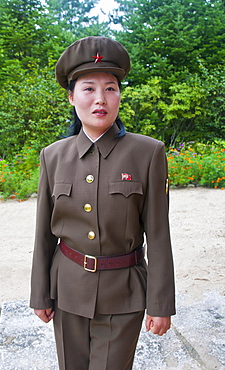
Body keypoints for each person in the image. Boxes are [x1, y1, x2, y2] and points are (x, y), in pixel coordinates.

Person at [30, 36, 175, 370]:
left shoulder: (147, 153)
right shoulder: (53, 157)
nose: (100, 99)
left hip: (123, 293)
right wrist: (40, 293)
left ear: (120, 95)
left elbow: (158, 233)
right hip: (66, 291)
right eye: (88, 89)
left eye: (110, 88)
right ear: (71, 96)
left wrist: (161, 302)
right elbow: (43, 233)